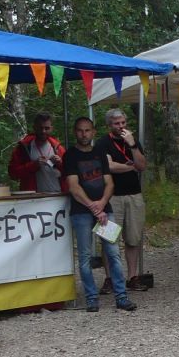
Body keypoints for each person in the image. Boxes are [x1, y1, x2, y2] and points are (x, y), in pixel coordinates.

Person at [61, 116, 135, 313]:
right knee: (85, 255)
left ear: (93, 132)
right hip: (81, 212)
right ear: (75, 132)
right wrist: (94, 208)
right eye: (80, 130)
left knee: (113, 252)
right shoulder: (70, 155)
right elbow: (73, 186)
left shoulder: (100, 152)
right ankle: (91, 298)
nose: (84, 134)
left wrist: (101, 205)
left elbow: (109, 183)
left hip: (105, 210)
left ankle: (121, 296)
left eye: (87, 130)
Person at [102, 108, 148, 289]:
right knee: (109, 238)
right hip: (111, 197)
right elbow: (109, 166)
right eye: (116, 123)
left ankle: (132, 277)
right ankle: (110, 278)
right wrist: (130, 167)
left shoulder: (133, 141)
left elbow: (142, 165)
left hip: (134, 194)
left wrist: (133, 146)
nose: (121, 126)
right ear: (109, 125)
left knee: (133, 238)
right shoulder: (103, 143)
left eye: (123, 123)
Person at [8, 112, 65, 193]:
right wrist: (33, 165)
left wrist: (60, 164)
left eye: (47, 128)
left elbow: (70, 174)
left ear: (52, 128)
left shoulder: (59, 148)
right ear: (34, 127)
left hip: (58, 195)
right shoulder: (24, 148)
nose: (43, 131)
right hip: (33, 197)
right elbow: (12, 174)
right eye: (40, 128)